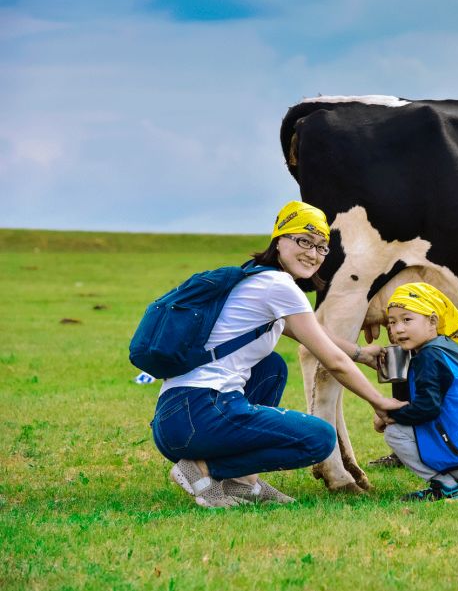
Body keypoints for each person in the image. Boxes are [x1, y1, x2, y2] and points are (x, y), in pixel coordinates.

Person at [150, 201, 405, 508]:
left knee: (271, 367)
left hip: (176, 418)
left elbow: (313, 335)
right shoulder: (278, 286)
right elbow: (332, 361)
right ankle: (204, 469)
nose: (312, 254)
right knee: (320, 439)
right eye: (303, 241)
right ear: (279, 240)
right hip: (201, 412)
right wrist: (379, 402)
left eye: (321, 247)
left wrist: (361, 352)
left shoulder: (252, 278)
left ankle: (242, 481)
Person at [373, 282, 458, 502]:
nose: (398, 329)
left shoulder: (427, 358)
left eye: (407, 319)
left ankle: (446, 486)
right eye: (392, 322)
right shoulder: (448, 347)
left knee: (394, 432)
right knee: (454, 416)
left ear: (433, 321)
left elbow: (427, 409)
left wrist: (388, 416)